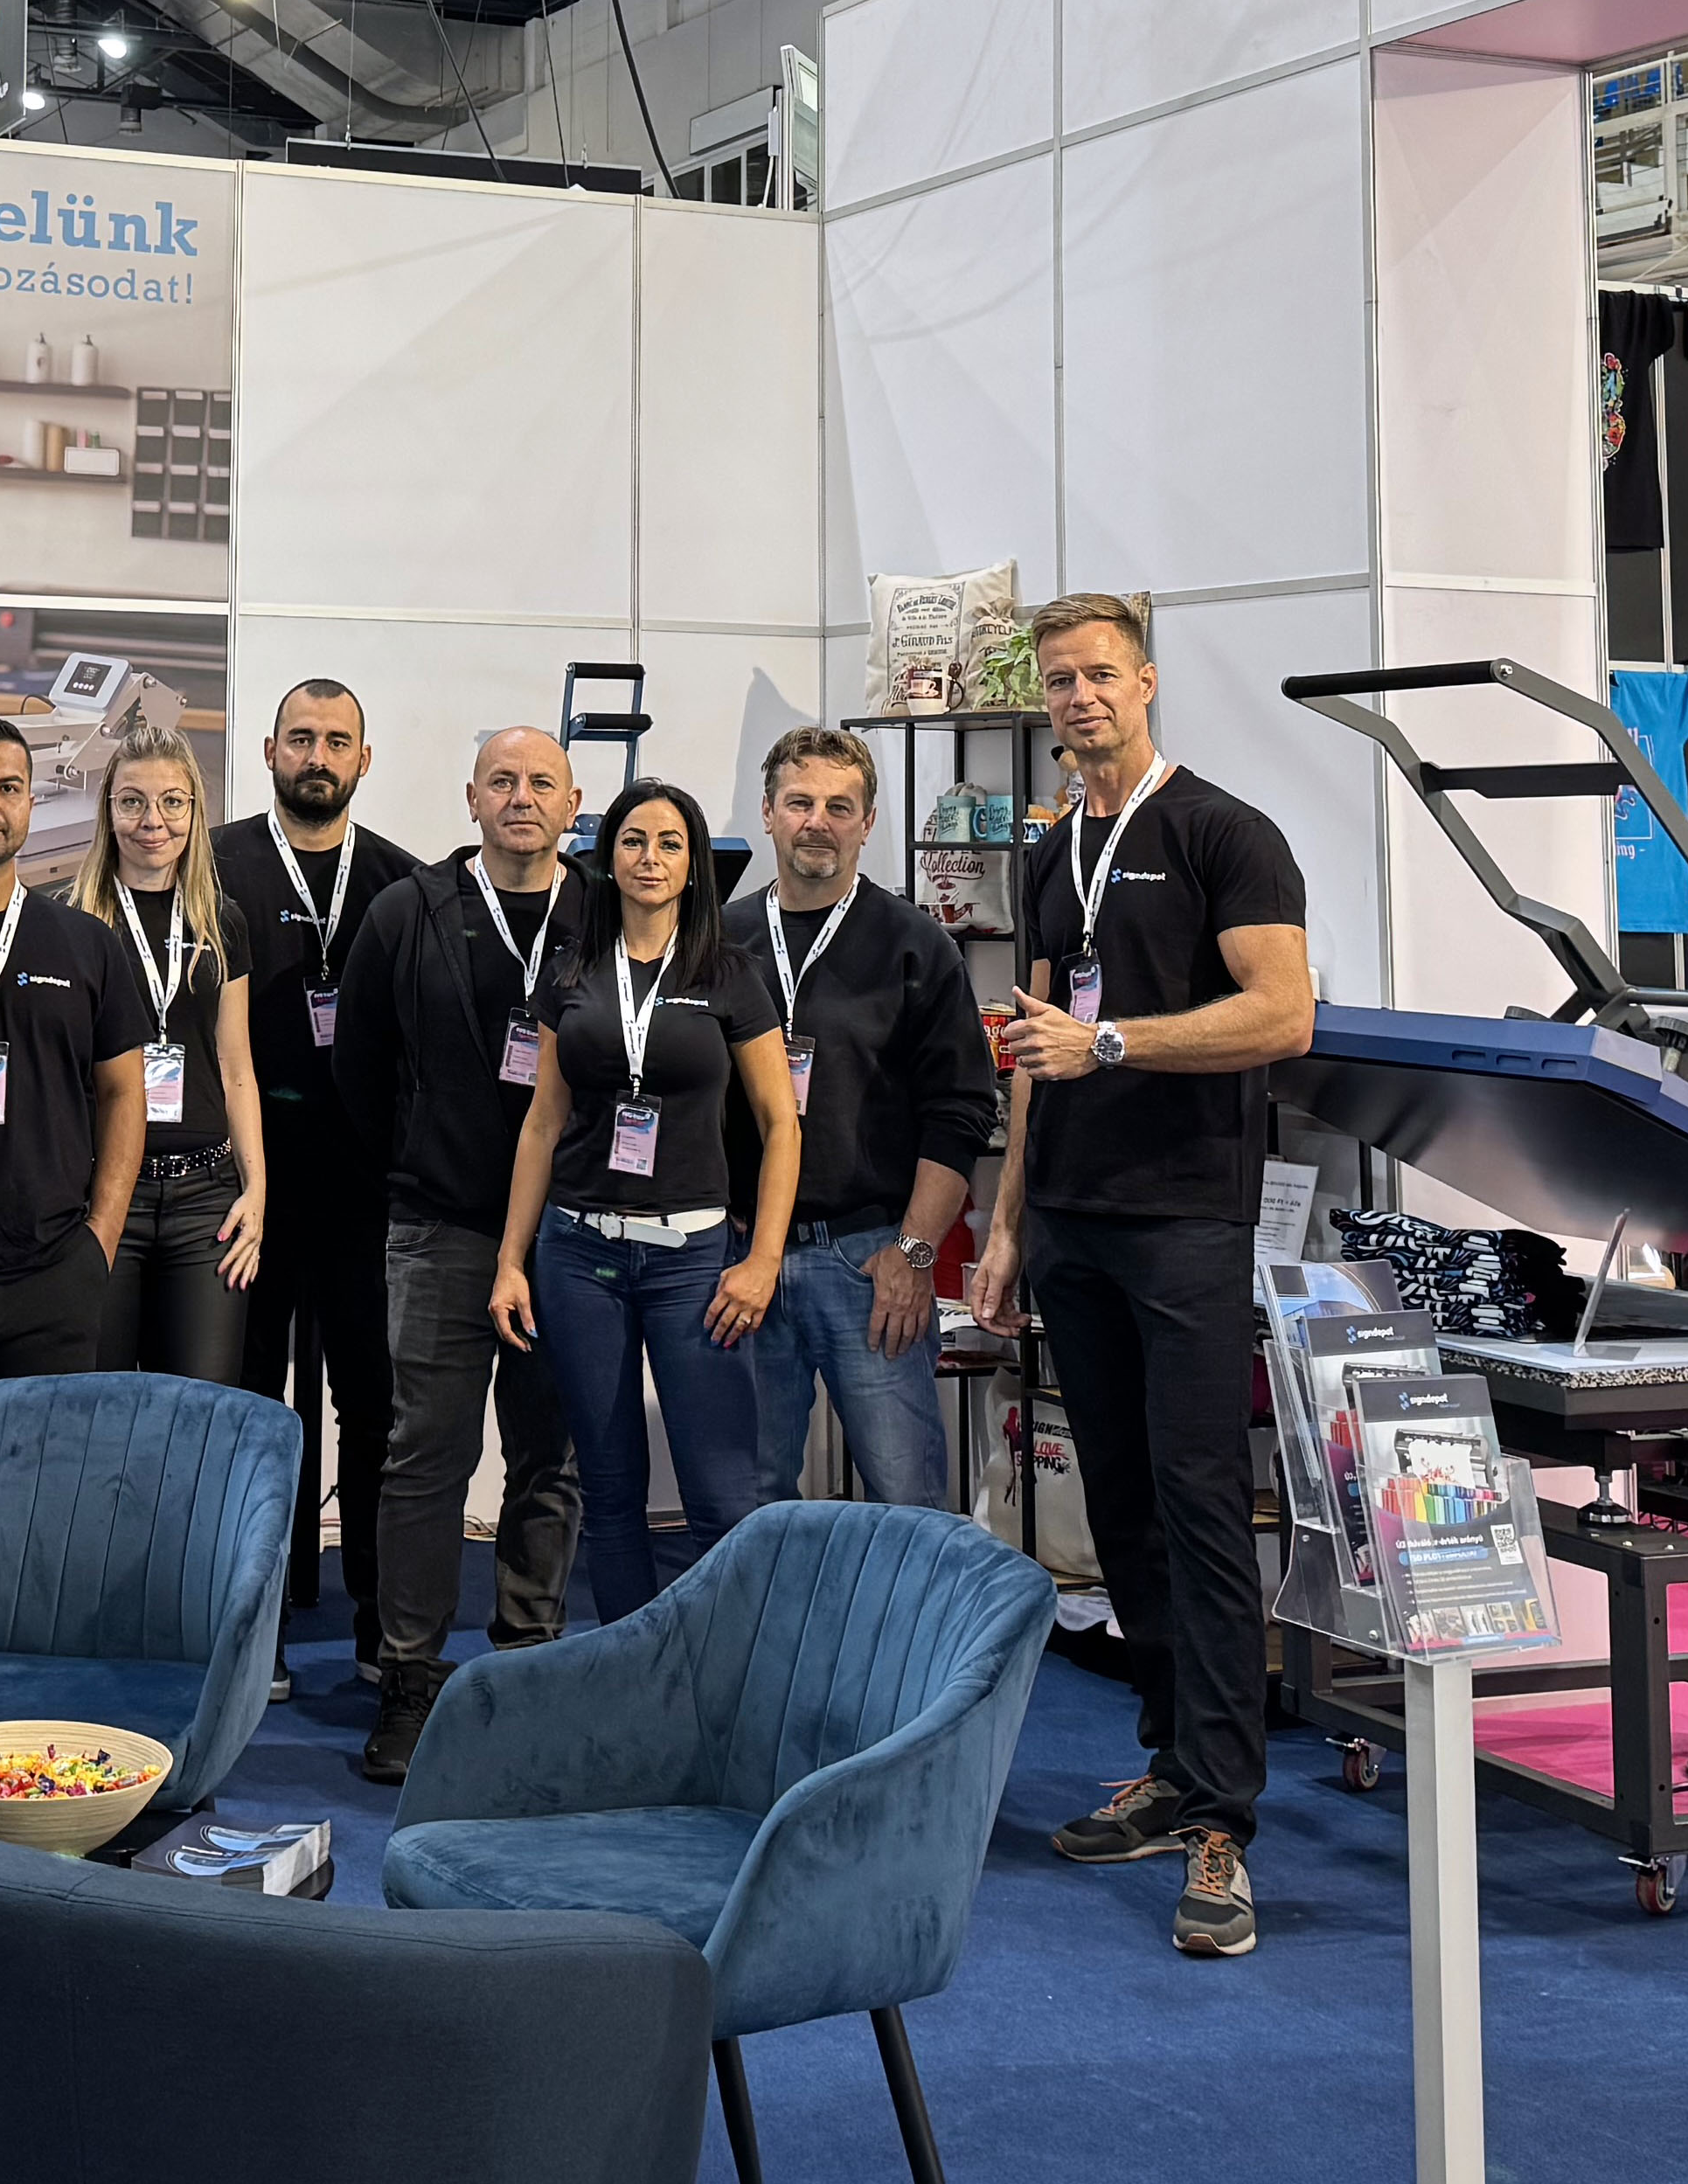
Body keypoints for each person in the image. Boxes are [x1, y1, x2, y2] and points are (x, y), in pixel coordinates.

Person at [969, 591, 1317, 1960]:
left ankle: (1224, 1816)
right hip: (1071, 1221)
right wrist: (1007, 1227)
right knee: (1120, 1511)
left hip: (1184, 1222)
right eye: (1059, 680)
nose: (1079, 698)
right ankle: (1173, 1764)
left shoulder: (1226, 834)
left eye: (1100, 674)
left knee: (1202, 1506)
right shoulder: (1050, 851)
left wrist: (1115, 1046)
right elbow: (1034, 1050)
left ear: (1148, 682)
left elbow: (1283, 1013)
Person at [330, 726, 592, 1783]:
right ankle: (410, 1677)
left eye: (541, 782)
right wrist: (414, 1160)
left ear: (573, 803)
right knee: (424, 1456)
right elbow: (358, 1066)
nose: (521, 797)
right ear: (471, 798)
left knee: (548, 1456)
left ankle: (527, 1664)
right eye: (502, 781)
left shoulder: (605, 911)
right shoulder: (408, 911)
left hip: (568, 1234)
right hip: (439, 1225)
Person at [489, 778, 795, 1626]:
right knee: (611, 1490)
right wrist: (511, 1260)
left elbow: (780, 1124)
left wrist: (763, 1261)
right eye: (633, 841)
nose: (650, 858)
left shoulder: (730, 973)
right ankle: (632, 1675)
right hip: (578, 1253)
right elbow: (542, 1123)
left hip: (693, 1261)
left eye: (669, 843)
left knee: (722, 1497)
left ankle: (728, 1672)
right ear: (607, 858)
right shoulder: (572, 971)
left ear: (694, 864)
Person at [727, 727, 997, 1508]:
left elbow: (960, 1110)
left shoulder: (916, 945)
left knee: (907, 1498)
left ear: (868, 822)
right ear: (768, 812)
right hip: (746, 1258)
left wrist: (914, 1253)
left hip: (869, 1259)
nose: (818, 822)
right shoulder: (723, 941)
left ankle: (917, 1605)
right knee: (748, 1499)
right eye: (799, 803)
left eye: (839, 807)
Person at [218, 679, 427, 1658]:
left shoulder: (405, 884)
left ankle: (381, 1628)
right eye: (300, 737)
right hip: (247, 1189)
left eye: (337, 741)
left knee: (374, 1405)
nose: (317, 756)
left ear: (364, 760)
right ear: (269, 751)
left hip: (364, 1188)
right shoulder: (213, 866)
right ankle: (249, 1628)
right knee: (249, 1407)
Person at [0, 716, 151, 1456]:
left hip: (50, 1278)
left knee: (44, 1497)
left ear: (31, 804)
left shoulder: (85, 942)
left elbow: (124, 1093)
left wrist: (99, 1242)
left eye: (8, 788)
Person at [74, 724, 264, 1386]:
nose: (152, 821)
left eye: (171, 802)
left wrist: (256, 1192)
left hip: (205, 1202)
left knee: (197, 1411)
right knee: (97, 1408)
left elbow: (236, 1067)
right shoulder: (76, 923)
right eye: (132, 802)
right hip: (105, 1195)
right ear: (108, 811)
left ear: (194, 810)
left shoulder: (222, 922)